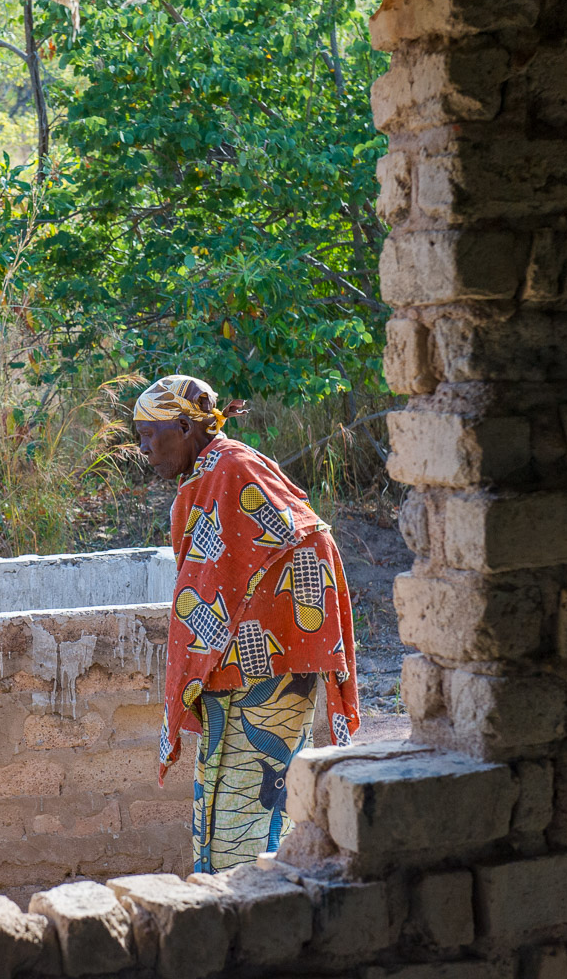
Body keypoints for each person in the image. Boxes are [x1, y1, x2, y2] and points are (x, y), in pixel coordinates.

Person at [134, 374, 359, 872]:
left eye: (149, 434)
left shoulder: (233, 466)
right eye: (139, 436)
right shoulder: (211, 472)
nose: (143, 448)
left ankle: (251, 904)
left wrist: (272, 620)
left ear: (185, 427)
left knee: (254, 798)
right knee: (223, 791)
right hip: (237, 661)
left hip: (272, 662)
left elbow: (306, 535)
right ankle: (234, 902)